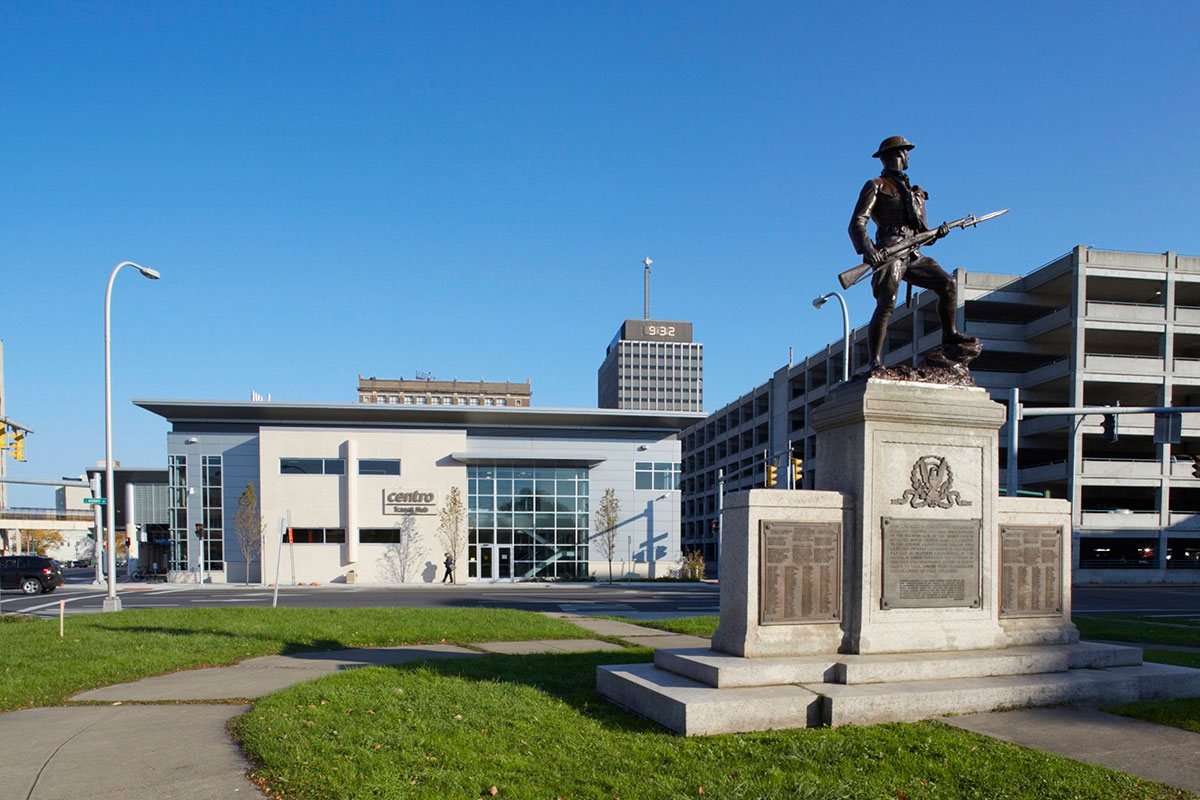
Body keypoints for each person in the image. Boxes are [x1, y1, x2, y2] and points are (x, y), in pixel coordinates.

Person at [848, 135, 974, 370]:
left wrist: (938, 232)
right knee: (887, 303)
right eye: (905, 152)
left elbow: (922, 231)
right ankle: (875, 362)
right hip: (890, 249)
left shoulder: (914, 190)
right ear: (896, 155)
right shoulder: (876, 185)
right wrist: (869, 250)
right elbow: (856, 223)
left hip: (913, 251)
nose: (907, 157)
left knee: (948, 284)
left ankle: (950, 334)